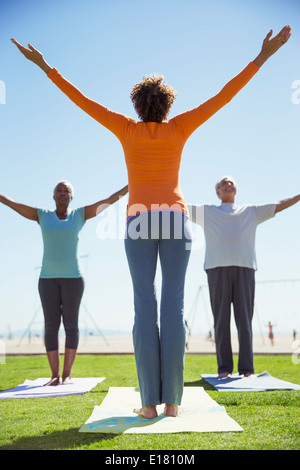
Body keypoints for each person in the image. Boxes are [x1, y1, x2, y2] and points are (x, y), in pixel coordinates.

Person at [11, 25, 291, 417]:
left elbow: (81, 100)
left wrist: (44, 66)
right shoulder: (180, 127)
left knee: (145, 307)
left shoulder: (126, 129)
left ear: (138, 105)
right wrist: (262, 57)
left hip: (139, 221)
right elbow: (223, 97)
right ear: (167, 105)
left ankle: (149, 404)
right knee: (172, 309)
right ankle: (173, 401)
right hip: (176, 221)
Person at [0, 182, 128, 385]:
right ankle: (54, 375)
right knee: (51, 326)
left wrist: (129, 186)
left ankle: (67, 375)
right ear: (53, 196)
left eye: (66, 190)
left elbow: (108, 201)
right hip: (47, 279)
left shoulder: (79, 215)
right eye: (59, 190)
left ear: (71, 197)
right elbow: (12, 204)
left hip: (73, 279)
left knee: (71, 325)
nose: (62, 193)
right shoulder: (42, 215)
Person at [188, 176, 299, 377]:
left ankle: (247, 369)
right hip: (216, 269)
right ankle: (224, 369)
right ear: (218, 192)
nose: (228, 185)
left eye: (231, 183)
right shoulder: (207, 211)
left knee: (244, 321)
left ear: (236, 190)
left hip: (245, 268)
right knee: (221, 321)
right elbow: (179, 206)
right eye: (223, 184)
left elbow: (281, 204)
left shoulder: (251, 211)